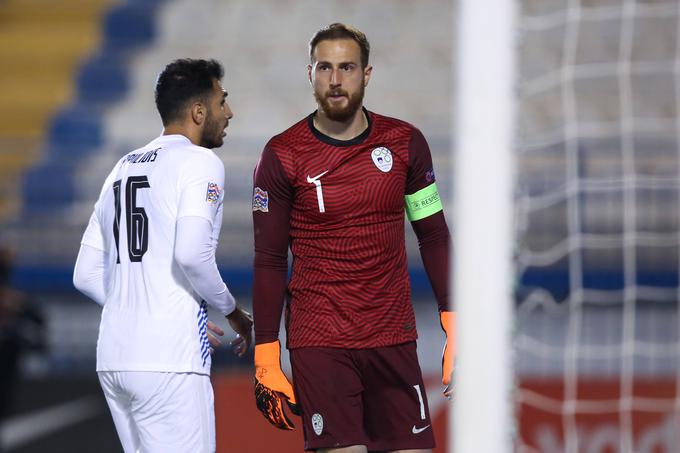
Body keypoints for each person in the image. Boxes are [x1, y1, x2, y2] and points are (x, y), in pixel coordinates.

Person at [251, 23, 456, 453]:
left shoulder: (405, 144)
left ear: (367, 74)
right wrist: (266, 354)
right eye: (325, 67)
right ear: (310, 74)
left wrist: (454, 323)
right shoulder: (283, 154)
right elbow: (269, 259)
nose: (336, 79)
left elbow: (433, 236)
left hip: (393, 334)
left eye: (347, 67)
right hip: (321, 338)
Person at [73, 58, 253, 453]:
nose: (229, 112)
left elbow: (85, 274)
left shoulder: (121, 167)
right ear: (199, 111)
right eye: (223, 100)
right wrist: (233, 312)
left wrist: (149, 307)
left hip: (115, 359)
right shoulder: (200, 162)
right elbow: (192, 255)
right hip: (168, 360)